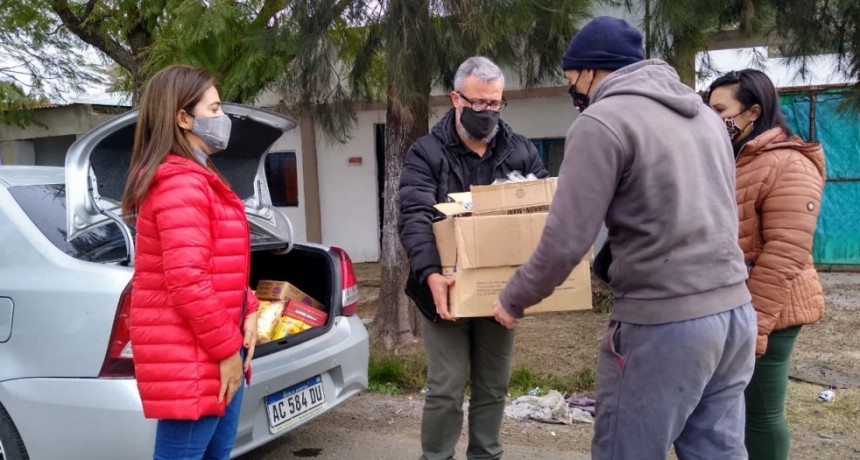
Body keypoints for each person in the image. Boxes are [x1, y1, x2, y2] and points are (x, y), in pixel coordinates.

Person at [492, 16, 757, 459]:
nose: (573, 88)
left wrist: (513, 298)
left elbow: (567, 239)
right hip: (734, 316)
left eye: (571, 77)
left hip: (664, 324)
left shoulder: (602, 122)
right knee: (718, 452)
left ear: (592, 70)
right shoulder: (707, 119)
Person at [398, 56, 548, 460]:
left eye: (495, 103)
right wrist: (429, 273)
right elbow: (413, 216)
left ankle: (486, 455)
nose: (487, 112)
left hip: (501, 289)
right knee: (447, 386)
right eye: (478, 103)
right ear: (456, 98)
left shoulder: (520, 150)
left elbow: (541, 213)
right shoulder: (426, 152)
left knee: (493, 385)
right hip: (444, 288)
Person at [120, 64, 259, 460]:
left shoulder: (200, 174)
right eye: (214, 110)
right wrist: (227, 352)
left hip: (213, 350)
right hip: (197, 359)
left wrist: (248, 306)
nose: (222, 119)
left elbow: (219, 264)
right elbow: (189, 283)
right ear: (183, 118)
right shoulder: (180, 183)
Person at [708, 69, 826, 460]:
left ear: (753, 111)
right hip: (734, 306)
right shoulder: (737, 158)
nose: (713, 119)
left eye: (721, 109)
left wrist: (754, 328)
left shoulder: (788, 163)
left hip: (771, 312)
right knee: (732, 411)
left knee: (760, 413)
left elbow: (785, 252)